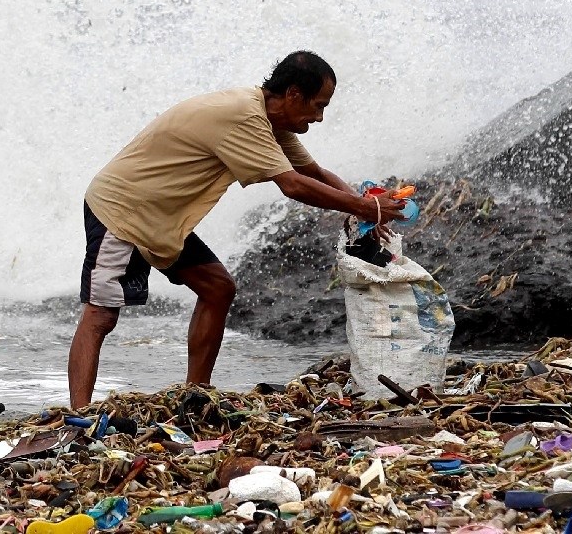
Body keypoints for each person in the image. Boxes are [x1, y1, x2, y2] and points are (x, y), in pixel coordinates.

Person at [68, 51, 406, 409]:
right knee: (101, 314)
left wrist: (365, 207)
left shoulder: (270, 122)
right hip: (124, 208)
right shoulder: (244, 117)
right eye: (318, 106)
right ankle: (78, 417)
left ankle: (195, 397)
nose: (320, 118)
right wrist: (361, 207)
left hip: (163, 218)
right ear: (293, 94)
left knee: (218, 288)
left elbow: (314, 173)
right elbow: (291, 185)